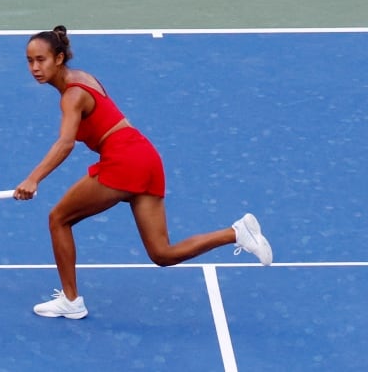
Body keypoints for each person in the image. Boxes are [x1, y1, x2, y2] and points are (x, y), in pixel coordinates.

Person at [15, 25, 271, 320]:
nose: (34, 67)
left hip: (124, 161)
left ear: (59, 58)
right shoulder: (83, 77)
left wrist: (34, 178)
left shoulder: (71, 96)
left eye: (41, 60)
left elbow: (65, 142)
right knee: (162, 253)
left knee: (58, 218)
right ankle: (237, 232)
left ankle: (71, 301)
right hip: (145, 156)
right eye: (30, 61)